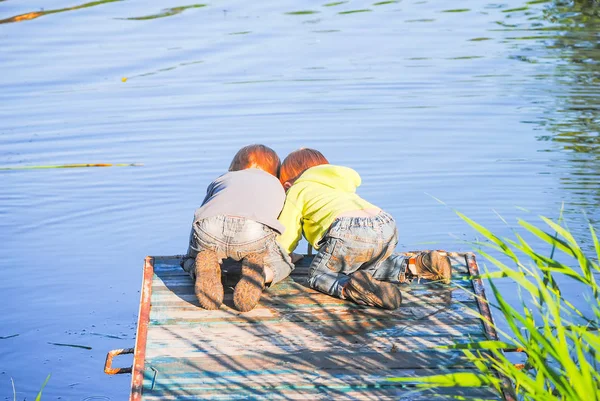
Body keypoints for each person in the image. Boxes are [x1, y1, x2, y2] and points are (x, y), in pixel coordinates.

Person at [277, 148, 451, 310]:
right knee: (365, 264)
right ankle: (416, 265)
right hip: (385, 223)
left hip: (348, 230)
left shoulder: (297, 189)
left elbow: (287, 234)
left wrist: (280, 255)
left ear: (287, 185)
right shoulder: (339, 185)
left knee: (317, 275)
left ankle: (352, 288)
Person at [181, 144, 294, 312]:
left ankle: (202, 268)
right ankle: (260, 274)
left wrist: (193, 252)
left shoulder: (224, 178)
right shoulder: (276, 185)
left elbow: (202, 213)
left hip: (210, 227)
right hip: (252, 232)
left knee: (189, 260)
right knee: (284, 264)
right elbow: (275, 222)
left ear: (234, 166)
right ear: (275, 171)